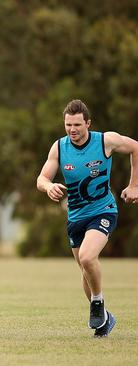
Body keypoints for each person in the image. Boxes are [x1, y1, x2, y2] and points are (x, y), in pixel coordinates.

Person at [37, 99, 138, 337]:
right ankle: (103, 320)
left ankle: (97, 303)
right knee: (85, 268)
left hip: (103, 210)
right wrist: (48, 186)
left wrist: (134, 185)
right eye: (68, 124)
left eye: (77, 125)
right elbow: (41, 178)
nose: (72, 130)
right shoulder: (59, 148)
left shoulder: (105, 141)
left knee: (87, 257)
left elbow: (135, 147)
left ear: (88, 124)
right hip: (76, 217)